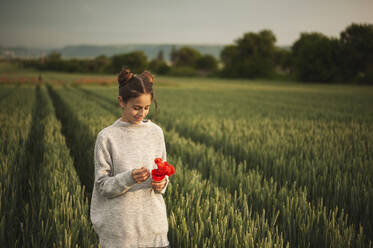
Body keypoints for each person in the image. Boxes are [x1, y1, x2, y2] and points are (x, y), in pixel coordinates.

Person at [90, 68, 170, 248]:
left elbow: (163, 172)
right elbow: (102, 186)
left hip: (154, 232)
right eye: (136, 108)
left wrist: (162, 183)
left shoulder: (156, 133)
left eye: (147, 108)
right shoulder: (107, 137)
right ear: (121, 101)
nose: (142, 114)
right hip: (119, 234)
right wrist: (130, 177)